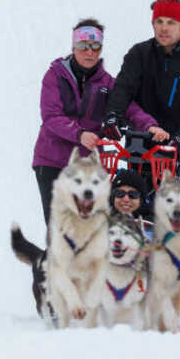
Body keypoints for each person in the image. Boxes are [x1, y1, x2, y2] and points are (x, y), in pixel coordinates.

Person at [32, 18, 165, 224]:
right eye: (83, 46)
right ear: (74, 46)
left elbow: (129, 108)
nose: (89, 52)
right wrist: (79, 134)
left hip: (89, 167)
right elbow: (51, 116)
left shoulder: (107, 83)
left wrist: (150, 125)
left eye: (95, 47)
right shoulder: (55, 76)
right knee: (58, 227)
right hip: (53, 162)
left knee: (88, 227)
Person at [102, 0, 180, 181]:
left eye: (171, 22)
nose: (163, 28)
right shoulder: (139, 54)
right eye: (159, 21)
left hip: (177, 149)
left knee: (178, 208)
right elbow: (123, 89)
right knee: (135, 205)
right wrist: (113, 115)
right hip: (139, 145)